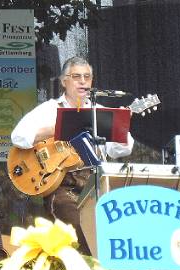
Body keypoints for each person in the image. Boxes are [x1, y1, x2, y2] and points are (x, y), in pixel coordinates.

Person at [10, 56, 134, 255]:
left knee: (120, 225)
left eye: (87, 77)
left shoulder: (99, 112)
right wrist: (56, 129)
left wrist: (120, 124)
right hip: (63, 189)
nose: (83, 81)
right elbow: (18, 136)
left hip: (96, 188)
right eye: (76, 76)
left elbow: (121, 150)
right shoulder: (50, 109)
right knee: (81, 227)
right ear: (64, 81)